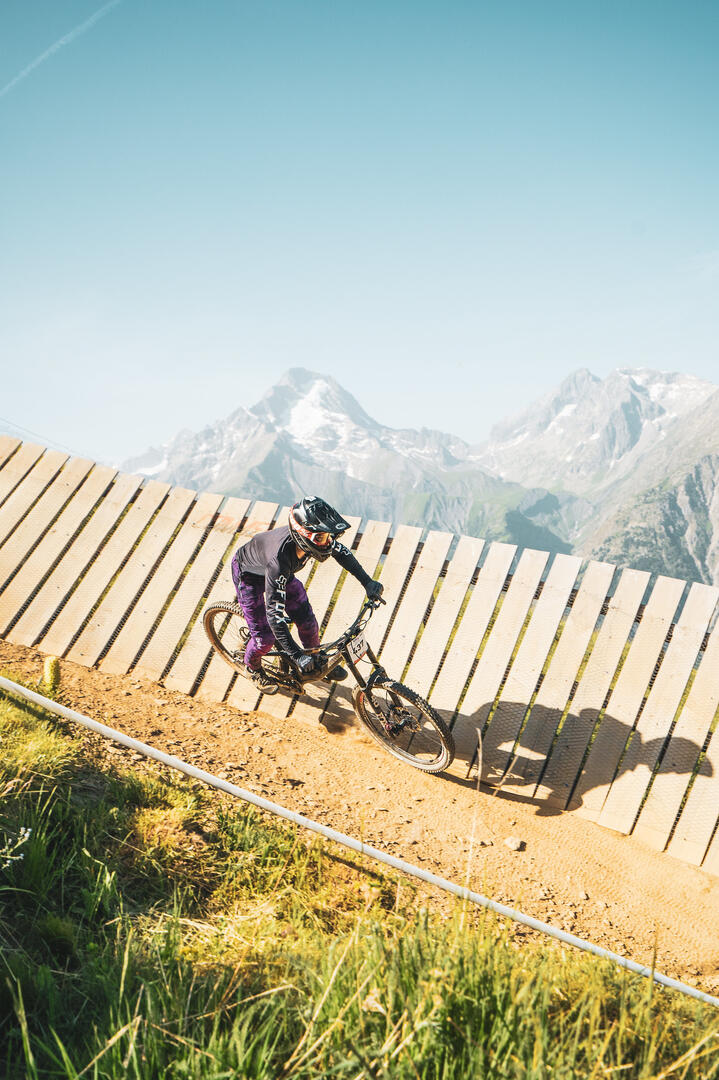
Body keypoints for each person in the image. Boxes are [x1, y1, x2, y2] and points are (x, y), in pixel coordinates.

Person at [231, 496, 384, 693]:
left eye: (329, 536)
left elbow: (342, 553)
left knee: (307, 622)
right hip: (250, 578)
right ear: (302, 534)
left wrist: (368, 582)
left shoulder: (312, 539)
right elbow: (274, 616)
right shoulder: (279, 561)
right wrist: (296, 655)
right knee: (264, 638)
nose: (327, 542)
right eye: (321, 537)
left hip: (279, 575)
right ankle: (252, 668)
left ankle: (316, 660)